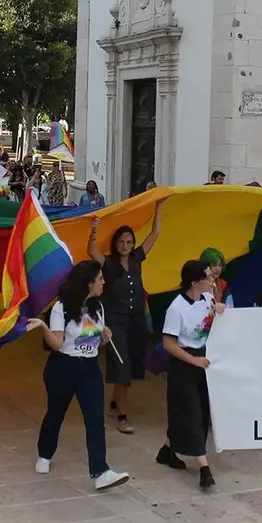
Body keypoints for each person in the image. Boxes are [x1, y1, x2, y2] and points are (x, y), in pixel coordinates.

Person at [26, 261, 130, 491]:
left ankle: (100, 471)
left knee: (95, 420)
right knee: (56, 413)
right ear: (89, 282)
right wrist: (43, 328)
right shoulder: (61, 308)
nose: (104, 283)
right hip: (63, 367)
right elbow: (57, 344)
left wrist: (103, 338)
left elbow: (95, 344)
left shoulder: (98, 308)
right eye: (100, 279)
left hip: (89, 368)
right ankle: (45, 453)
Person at [87, 199, 165, 434]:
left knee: (130, 366)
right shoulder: (108, 263)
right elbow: (91, 251)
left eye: (129, 241)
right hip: (116, 321)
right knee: (121, 367)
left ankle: (114, 404)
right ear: (115, 243)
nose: (125, 245)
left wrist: (159, 204)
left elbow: (155, 232)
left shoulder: (137, 259)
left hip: (136, 321)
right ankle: (122, 415)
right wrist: (94, 227)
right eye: (121, 241)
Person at [158, 260, 226, 491]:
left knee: (198, 410)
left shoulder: (208, 299)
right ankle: (204, 469)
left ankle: (167, 450)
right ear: (194, 282)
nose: (212, 279)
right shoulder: (177, 308)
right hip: (185, 363)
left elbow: (212, 321)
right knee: (191, 413)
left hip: (203, 360)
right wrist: (193, 360)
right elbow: (168, 343)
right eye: (207, 277)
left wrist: (220, 308)